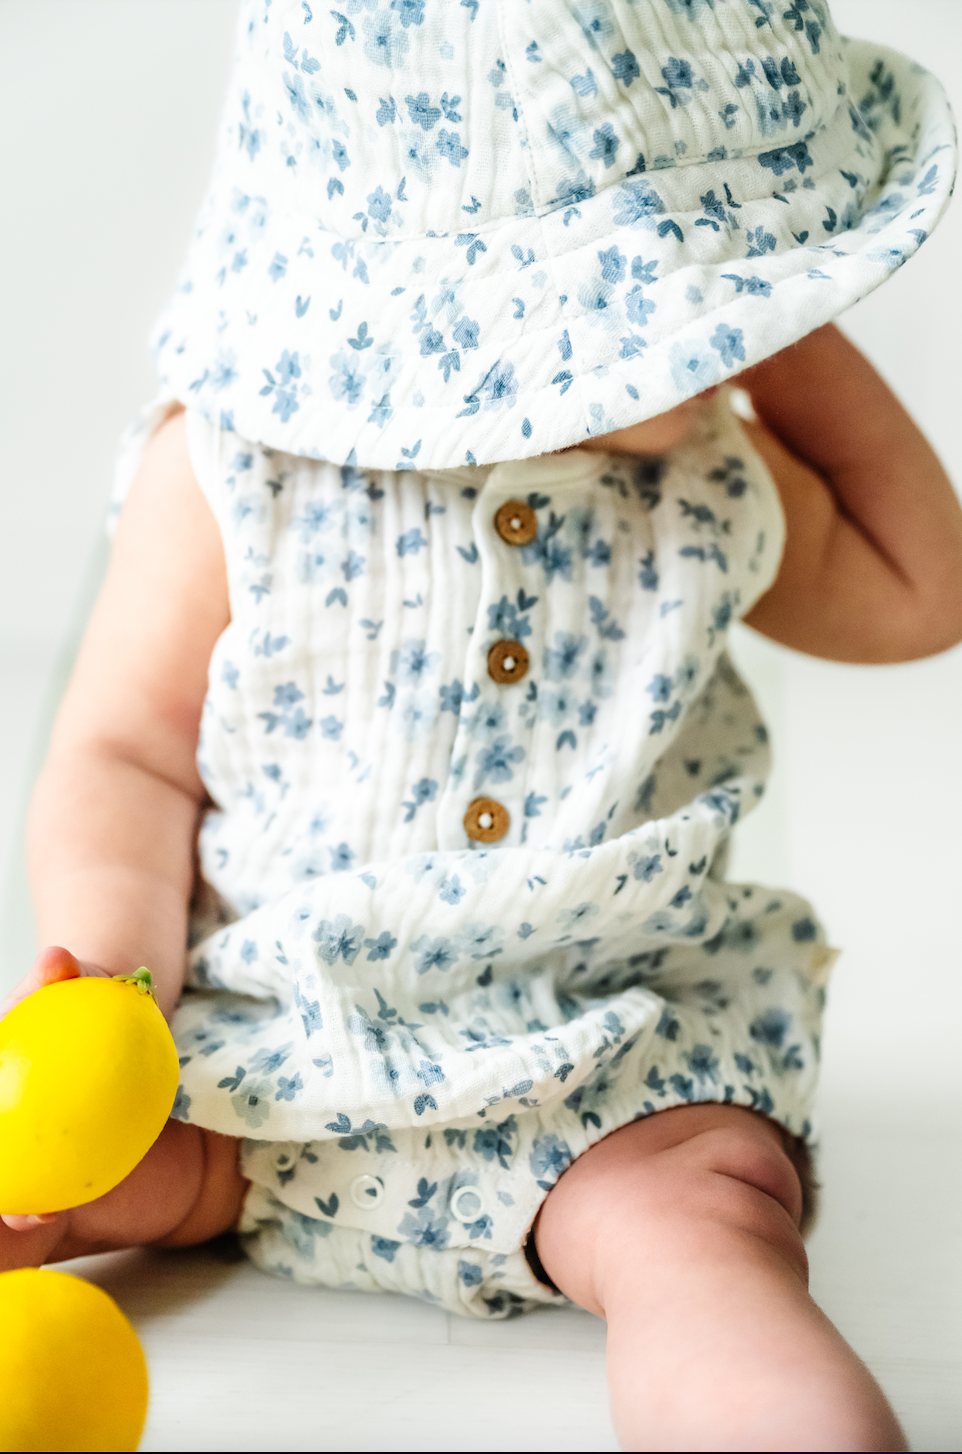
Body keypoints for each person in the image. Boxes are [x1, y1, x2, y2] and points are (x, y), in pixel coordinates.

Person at [2, 3, 960, 1448]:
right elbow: (124, 747)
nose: (716, 325)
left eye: (740, 276)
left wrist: (776, 318)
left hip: (610, 1079)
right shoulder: (234, 464)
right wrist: (116, 984)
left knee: (703, 1226)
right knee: (57, 1159)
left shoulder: (713, 477)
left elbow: (918, 589)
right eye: (686, 277)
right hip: (265, 1069)